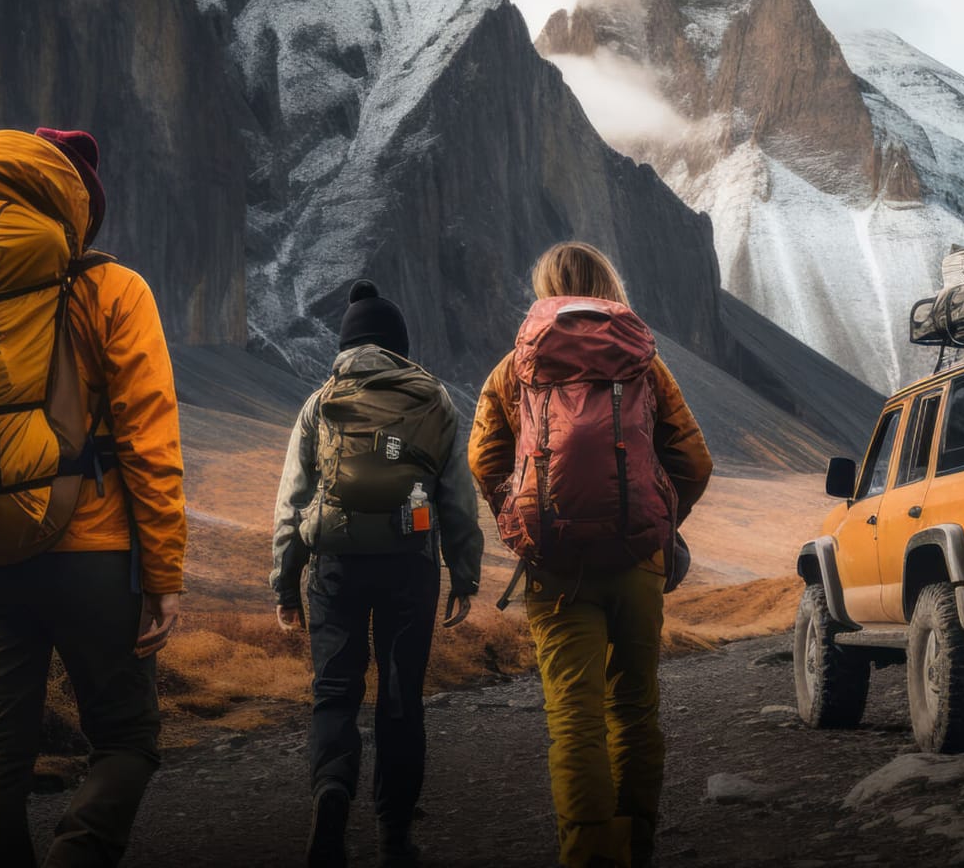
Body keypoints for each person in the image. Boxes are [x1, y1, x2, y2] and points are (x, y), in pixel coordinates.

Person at [0, 128, 187, 868]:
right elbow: (148, 441)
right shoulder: (113, 288)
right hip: (93, 558)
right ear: (79, 205)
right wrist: (165, 576)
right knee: (126, 740)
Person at [468, 242, 712, 868]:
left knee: (574, 720)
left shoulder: (513, 367)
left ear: (546, 289)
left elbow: (484, 458)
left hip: (554, 568)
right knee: (634, 708)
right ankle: (638, 848)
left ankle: (587, 857)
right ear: (609, 285)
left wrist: (521, 516)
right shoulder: (644, 363)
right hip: (637, 564)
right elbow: (694, 459)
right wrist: (656, 521)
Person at [271, 280, 484, 868]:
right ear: (398, 346)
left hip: (336, 565)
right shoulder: (434, 400)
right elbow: (456, 498)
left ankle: (332, 796)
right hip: (410, 563)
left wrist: (286, 585)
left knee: (334, 691)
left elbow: (292, 502)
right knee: (399, 698)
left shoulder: (321, 401)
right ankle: (394, 835)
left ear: (346, 344)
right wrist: (464, 574)